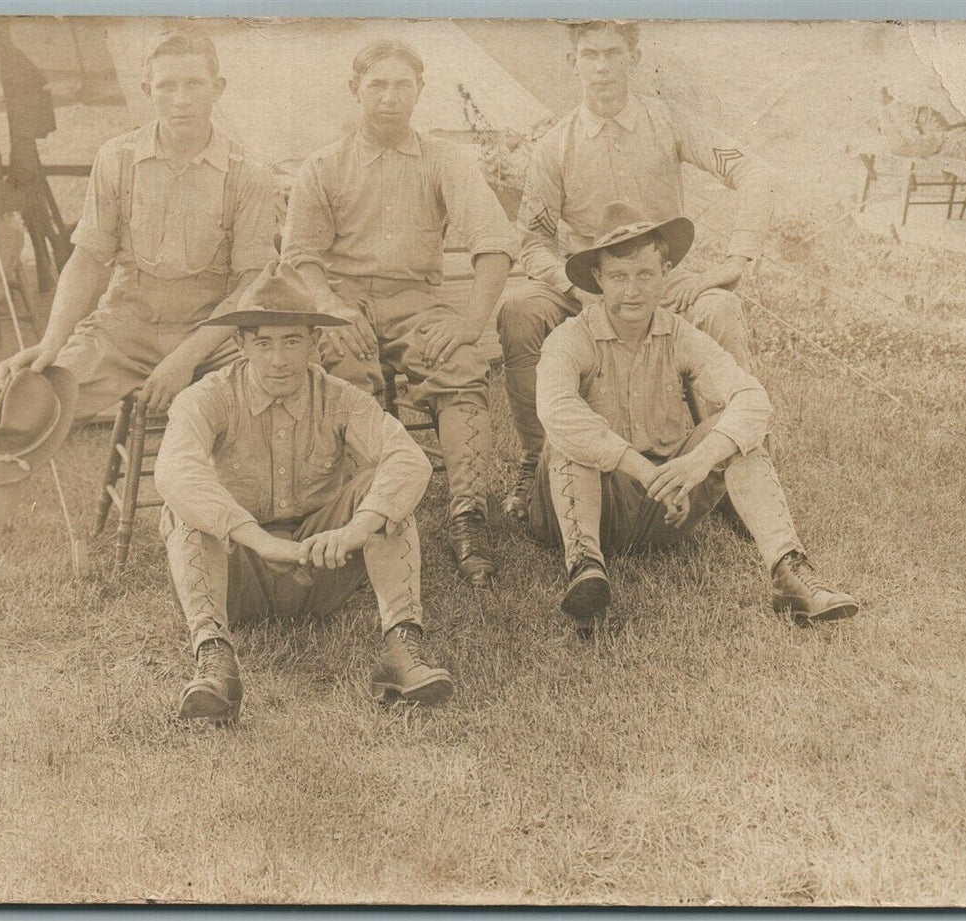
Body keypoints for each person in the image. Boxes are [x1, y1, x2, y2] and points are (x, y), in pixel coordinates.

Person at [0, 26, 278, 636]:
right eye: (166, 86)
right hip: (126, 324)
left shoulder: (249, 174)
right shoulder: (118, 159)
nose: (179, 99)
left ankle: (263, 566)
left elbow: (249, 287)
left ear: (218, 88)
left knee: (266, 402)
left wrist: (183, 360)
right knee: (26, 404)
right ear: (146, 89)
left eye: (193, 84)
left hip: (212, 335)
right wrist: (51, 343)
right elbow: (88, 259)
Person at [528, 203, 857, 633]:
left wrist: (698, 462)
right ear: (598, 279)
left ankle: (790, 573)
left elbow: (752, 398)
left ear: (665, 273)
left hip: (666, 509)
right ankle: (585, 568)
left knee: (740, 433)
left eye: (645, 274)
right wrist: (644, 471)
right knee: (569, 437)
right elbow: (557, 411)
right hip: (585, 505)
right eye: (619, 277)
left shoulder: (680, 334)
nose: (632, 291)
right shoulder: (571, 338)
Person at [499, 19, 776, 520]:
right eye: (590, 55)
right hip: (588, 283)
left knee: (719, 307)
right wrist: (576, 288)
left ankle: (733, 465)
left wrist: (735, 260)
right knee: (520, 310)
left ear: (634, 58)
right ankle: (537, 458)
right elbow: (533, 242)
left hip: (656, 283)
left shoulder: (669, 122)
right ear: (573, 62)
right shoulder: (555, 145)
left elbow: (754, 171)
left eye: (613, 53)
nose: (602, 67)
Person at [155, 260, 452, 722]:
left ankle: (402, 649)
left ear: (315, 343)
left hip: (322, 564)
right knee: (185, 508)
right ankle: (215, 662)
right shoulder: (207, 397)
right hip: (238, 572)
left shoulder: (339, 396)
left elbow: (408, 459)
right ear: (240, 344)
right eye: (264, 343)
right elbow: (175, 469)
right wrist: (259, 539)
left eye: (292, 341)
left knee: (386, 495)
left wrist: (354, 531)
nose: (279, 359)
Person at [279, 38, 518, 589]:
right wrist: (329, 307)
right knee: (342, 375)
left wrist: (470, 322)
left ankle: (467, 515)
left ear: (419, 91)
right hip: (344, 303)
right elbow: (300, 255)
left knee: (460, 366)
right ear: (355, 89)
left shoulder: (443, 159)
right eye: (377, 85)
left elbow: (494, 242)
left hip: (416, 300)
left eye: (402, 85)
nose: (390, 97)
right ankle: (360, 518)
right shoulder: (324, 164)